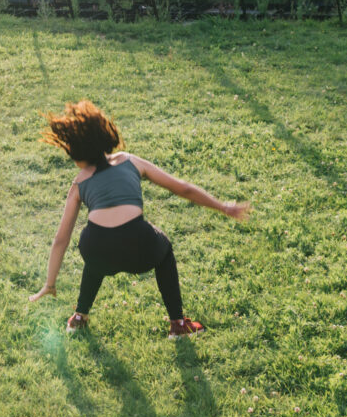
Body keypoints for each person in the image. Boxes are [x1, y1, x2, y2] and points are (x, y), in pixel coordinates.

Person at [27, 100, 249, 336]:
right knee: (164, 251)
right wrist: (223, 207)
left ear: (78, 154)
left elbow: (61, 239)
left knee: (95, 249)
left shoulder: (79, 183)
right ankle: (178, 324)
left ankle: (79, 318)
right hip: (139, 246)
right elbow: (183, 188)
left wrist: (50, 284)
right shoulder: (130, 161)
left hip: (97, 249)